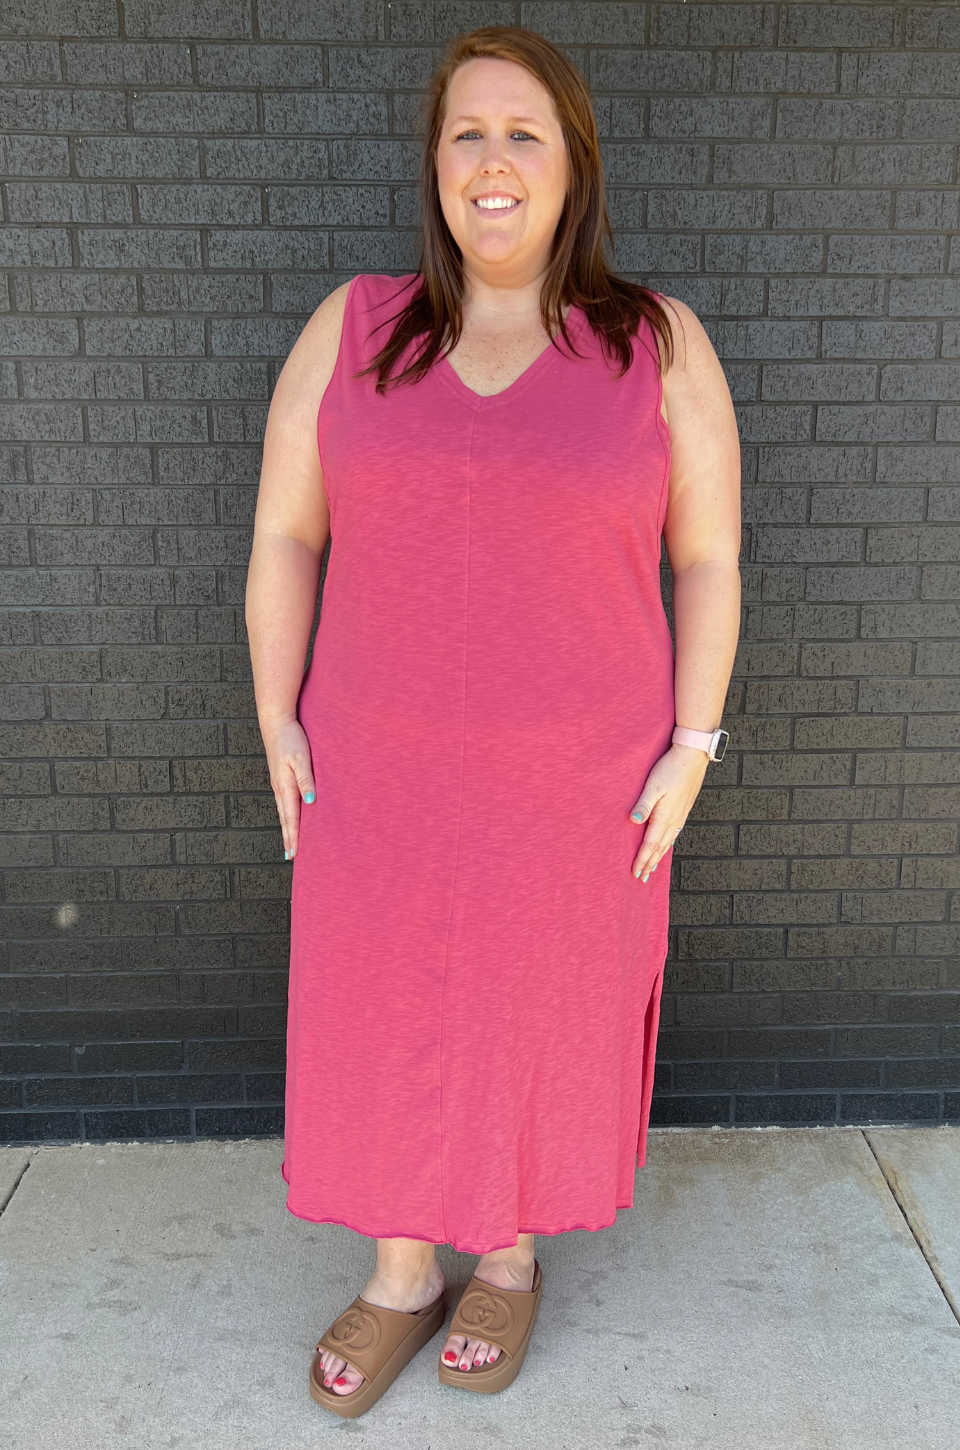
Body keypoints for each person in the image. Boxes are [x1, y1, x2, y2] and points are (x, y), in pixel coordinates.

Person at [244, 24, 741, 1421]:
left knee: (534, 1009)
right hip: (378, 772)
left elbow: (708, 555)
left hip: (576, 785)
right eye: (468, 132)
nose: (494, 159)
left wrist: (694, 743)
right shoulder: (356, 329)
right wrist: (274, 712)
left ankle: (506, 1257)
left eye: (525, 132)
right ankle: (403, 1271)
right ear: (435, 165)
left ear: (574, 162)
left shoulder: (652, 342)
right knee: (382, 1008)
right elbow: (286, 530)